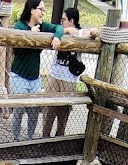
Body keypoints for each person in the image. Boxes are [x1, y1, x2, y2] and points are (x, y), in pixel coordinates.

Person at [9, 0, 62, 141]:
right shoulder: (19, 26)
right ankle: (15, 140)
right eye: (41, 9)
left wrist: (57, 36)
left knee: (34, 112)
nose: (43, 13)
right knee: (19, 110)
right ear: (32, 10)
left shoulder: (42, 26)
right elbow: (16, 48)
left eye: (44, 10)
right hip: (19, 76)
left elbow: (59, 27)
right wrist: (29, 34)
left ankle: (30, 139)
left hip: (35, 78)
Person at [42, 7, 97, 139]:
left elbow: (93, 33)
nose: (61, 22)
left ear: (72, 21)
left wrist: (88, 32)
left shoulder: (79, 33)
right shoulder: (60, 31)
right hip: (54, 75)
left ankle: (59, 138)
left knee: (64, 111)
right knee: (48, 109)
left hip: (69, 78)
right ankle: (44, 137)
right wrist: (64, 30)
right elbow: (49, 29)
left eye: (64, 20)